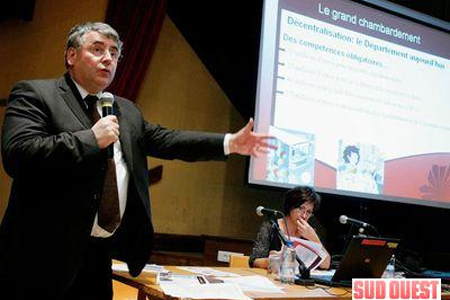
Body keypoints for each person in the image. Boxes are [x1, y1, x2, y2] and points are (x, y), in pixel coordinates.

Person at [0, 22, 275, 300]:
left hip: (97, 256)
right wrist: (90, 139)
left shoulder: (125, 110)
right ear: (71, 56)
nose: (108, 58)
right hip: (39, 257)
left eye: (114, 52)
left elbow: (169, 140)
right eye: (97, 49)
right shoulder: (36, 94)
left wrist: (228, 142)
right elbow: (19, 154)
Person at [249, 186, 331, 270]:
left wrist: (315, 239)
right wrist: (274, 261)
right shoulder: (270, 227)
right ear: (291, 206)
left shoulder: (309, 232)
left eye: (309, 212)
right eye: (301, 208)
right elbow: (254, 261)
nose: (304, 215)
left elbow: (326, 265)